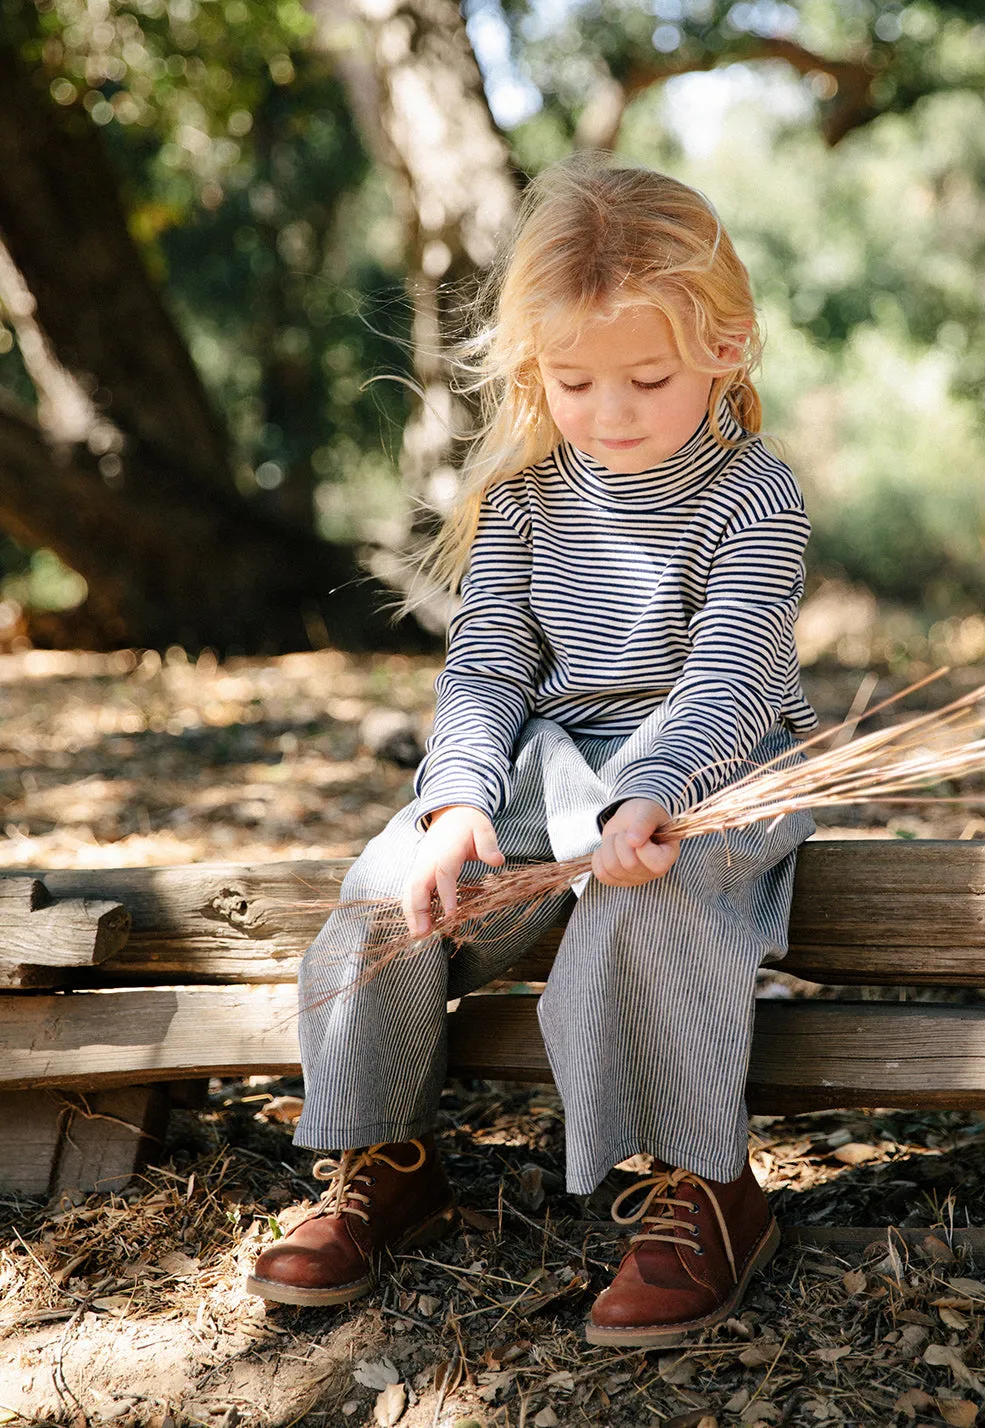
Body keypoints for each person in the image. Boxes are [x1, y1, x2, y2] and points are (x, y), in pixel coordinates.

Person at [247, 153, 818, 1348]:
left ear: (727, 347)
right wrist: (457, 799)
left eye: (645, 378)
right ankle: (384, 1161)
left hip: (718, 765)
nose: (609, 412)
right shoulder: (523, 499)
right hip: (553, 765)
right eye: (573, 381)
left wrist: (653, 794)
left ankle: (710, 1188)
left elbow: (728, 677)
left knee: (644, 907)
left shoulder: (757, 498)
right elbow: (490, 668)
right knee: (388, 891)